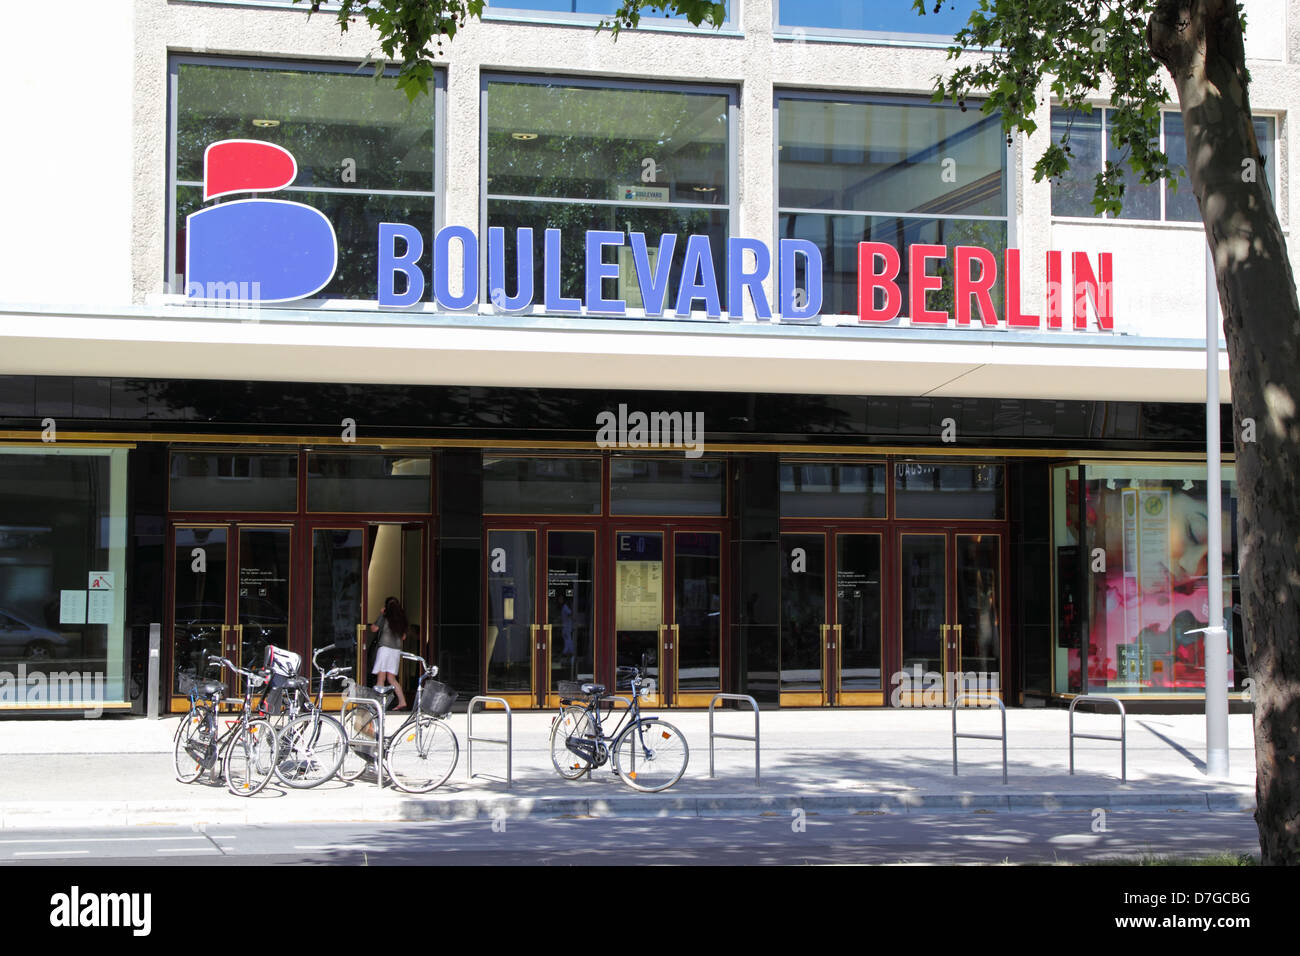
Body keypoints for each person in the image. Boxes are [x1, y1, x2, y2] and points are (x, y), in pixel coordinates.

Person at [370, 596, 408, 710]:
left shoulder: (385, 617)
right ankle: (402, 701)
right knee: (391, 678)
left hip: (385, 649)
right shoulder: (402, 619)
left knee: (381, 678)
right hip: (396, 651)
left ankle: (378, 704)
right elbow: (404, 637)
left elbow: (374, 629)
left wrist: (381, 614)